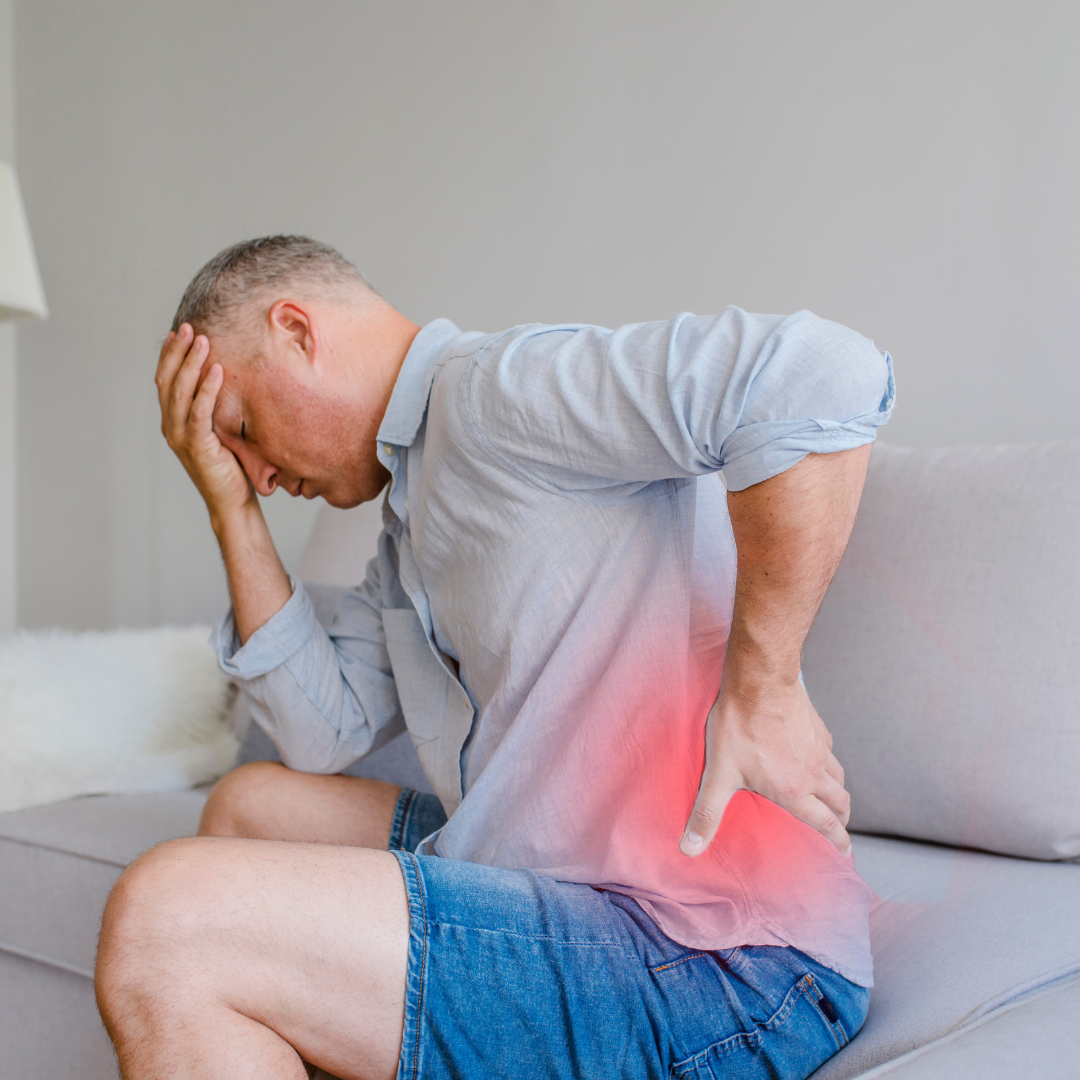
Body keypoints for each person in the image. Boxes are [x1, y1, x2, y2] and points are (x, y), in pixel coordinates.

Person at [96, 235, 895, 1080]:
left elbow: (819, 370)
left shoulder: (498, 393)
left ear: (297, 333)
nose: (258, 475)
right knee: (251, 805)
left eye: (244, 432)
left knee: (164, 919)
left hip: (721, 958)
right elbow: (320, 732)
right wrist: (230, 509)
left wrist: (765, 688)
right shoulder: (406, 526)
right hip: (572, 889)